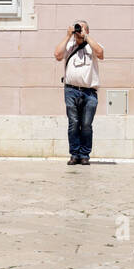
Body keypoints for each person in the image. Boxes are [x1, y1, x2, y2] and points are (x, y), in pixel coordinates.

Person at [54, 20, 104, 165]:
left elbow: (100, 54)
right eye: (77, 27)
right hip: (71, 90)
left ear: (87, 30)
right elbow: (57, 55)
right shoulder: (69, 46)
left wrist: (86, 37)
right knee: (73, 123)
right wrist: (68, 36)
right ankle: (74, 154)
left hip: (90, 92)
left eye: (81, 27)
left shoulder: (92, 46)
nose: (78, 30)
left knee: (87, 124)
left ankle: (84, 155)